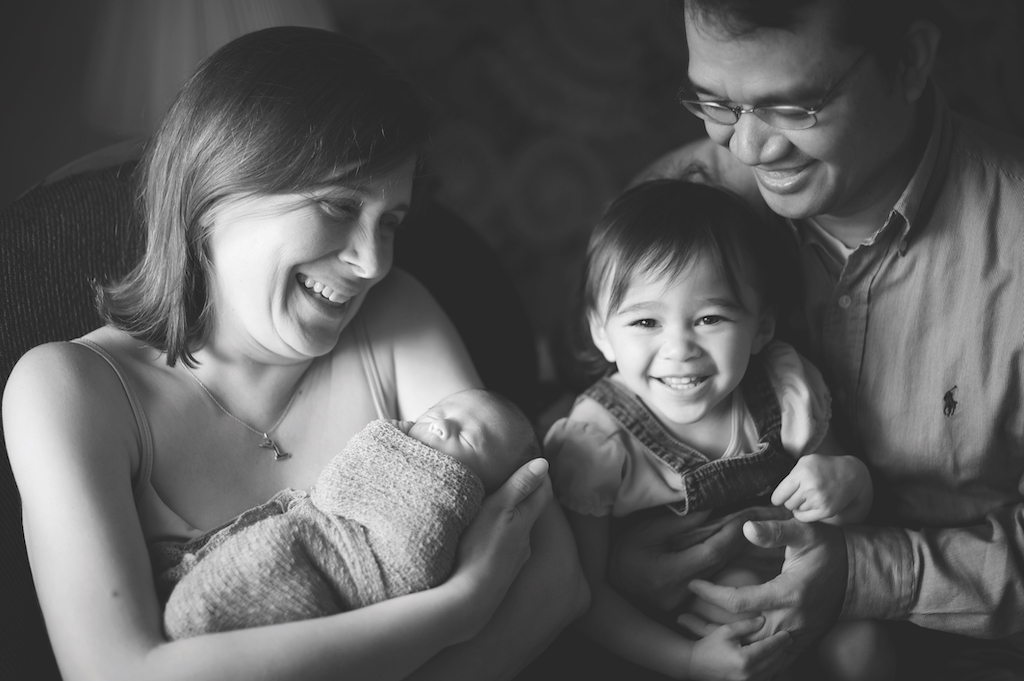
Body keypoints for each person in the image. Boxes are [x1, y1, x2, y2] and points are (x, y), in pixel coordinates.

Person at [2, 26, 587, 681]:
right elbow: (117, 672)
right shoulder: (70, 390)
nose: (372, 262)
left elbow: (555, 580)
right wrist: (461, 606)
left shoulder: (397, 315)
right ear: (210, 197)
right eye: (339, 205)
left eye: (390, 221)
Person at [609, 1, 1024, 678]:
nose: (747, 147)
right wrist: (616, 557)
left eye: (795, 107)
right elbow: (593, 415)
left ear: (911, 61)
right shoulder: (673, 204)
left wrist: (862, 571)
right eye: (715, 101)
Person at [545, 178, 886, 680]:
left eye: (709, 318)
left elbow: (847, 511)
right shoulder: (596, 442)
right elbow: (582, 593)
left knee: (866, 648)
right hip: (678, 639)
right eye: (645, 323)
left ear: (761, 327)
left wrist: (852, 481)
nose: (680, 348)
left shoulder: (784, 389)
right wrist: (687, 661)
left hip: (800, 603)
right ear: (601, 332)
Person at [160, 388, 541, 639]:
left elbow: (411, 561)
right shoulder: (383, 451)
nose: (441, 423)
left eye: (468, 437)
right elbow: (333, 493)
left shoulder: (439, 500)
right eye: (439, 410)